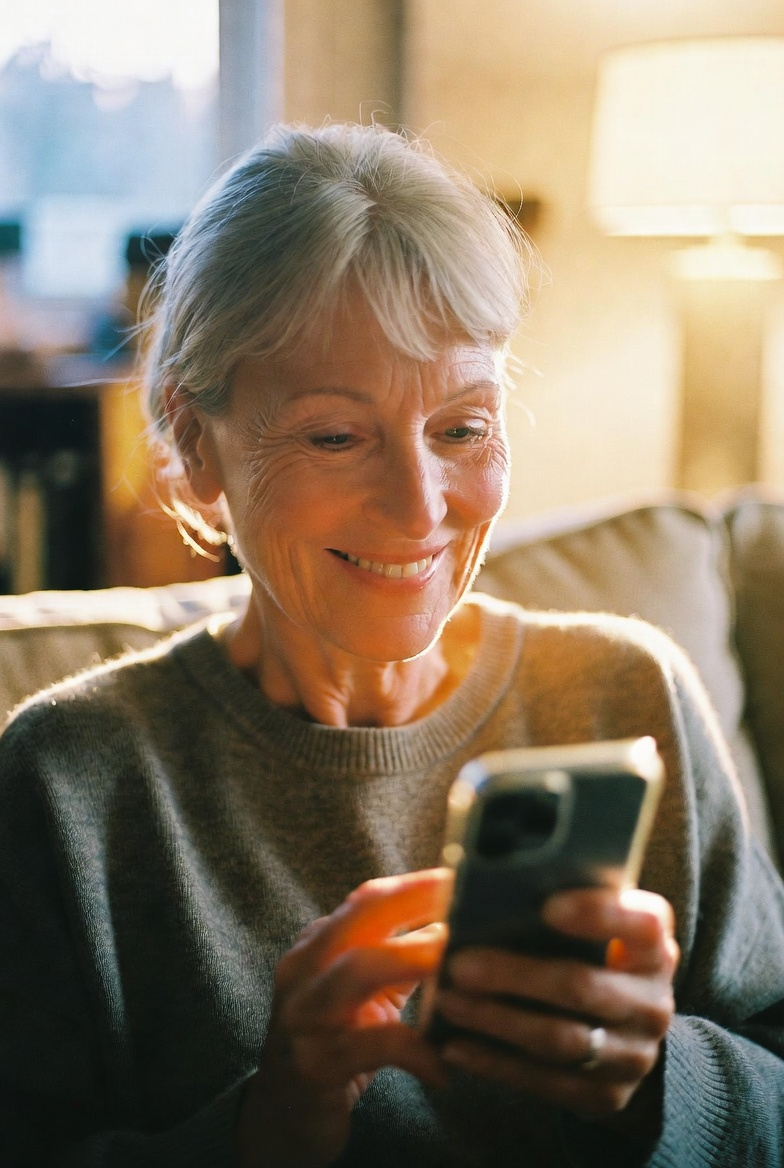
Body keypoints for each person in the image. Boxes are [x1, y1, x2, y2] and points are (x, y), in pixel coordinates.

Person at [0, 122, 782, 1168]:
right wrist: (269, 1127)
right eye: (335, 435)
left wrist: (658, 1082)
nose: (420, 508)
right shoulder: (72, 778)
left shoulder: (630, 695)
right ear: (194, 441)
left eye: (462, 429)